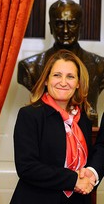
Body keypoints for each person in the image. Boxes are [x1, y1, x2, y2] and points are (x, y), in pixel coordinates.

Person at [11, 49, 104, 204]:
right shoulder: (30, 115)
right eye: (57, 75)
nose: (63, 82)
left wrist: (89, 176)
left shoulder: (83, 118)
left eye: (70, 77)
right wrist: (74, 180)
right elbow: (27, 167)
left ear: (78, 83)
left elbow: (91, 159)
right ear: (46, 80)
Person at [17, 0, 104, 125]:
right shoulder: (30, 67)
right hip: (46, 133)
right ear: (50, 27)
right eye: (59, 24)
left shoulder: (100, 66)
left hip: (86, 134)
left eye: (72, 23)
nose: (65, 31)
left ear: (81, 26)